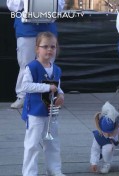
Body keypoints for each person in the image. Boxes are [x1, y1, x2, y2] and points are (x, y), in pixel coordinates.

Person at [21, 32, 65, 176]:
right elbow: (25, 86)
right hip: (35, 111)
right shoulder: (32, 67)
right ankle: (29, 172)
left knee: (52, 143)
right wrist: (46, 87)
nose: (49, 50)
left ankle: (54, 170)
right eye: (45, 46)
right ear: (37, 49)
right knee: (32, 144)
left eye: (53, 46)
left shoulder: (56, 69)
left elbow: (58, 87)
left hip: (51, 111)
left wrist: (61, 95)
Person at [6, 0, 65, 109]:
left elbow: (60, 6)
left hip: (47, 25)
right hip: (26, 27)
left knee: (48, 64)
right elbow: (11, 5)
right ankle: (22, 96)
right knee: (25, 64)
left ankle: (50, 97)